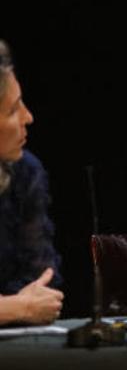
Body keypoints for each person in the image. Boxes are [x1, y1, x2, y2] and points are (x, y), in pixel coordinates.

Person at [0, 39, 64, 325]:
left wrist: (22, 304)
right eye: (13, 110)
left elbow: (42, 284)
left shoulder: (25, 173)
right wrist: (13, 308)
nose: (28, 117)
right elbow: (25, 305)